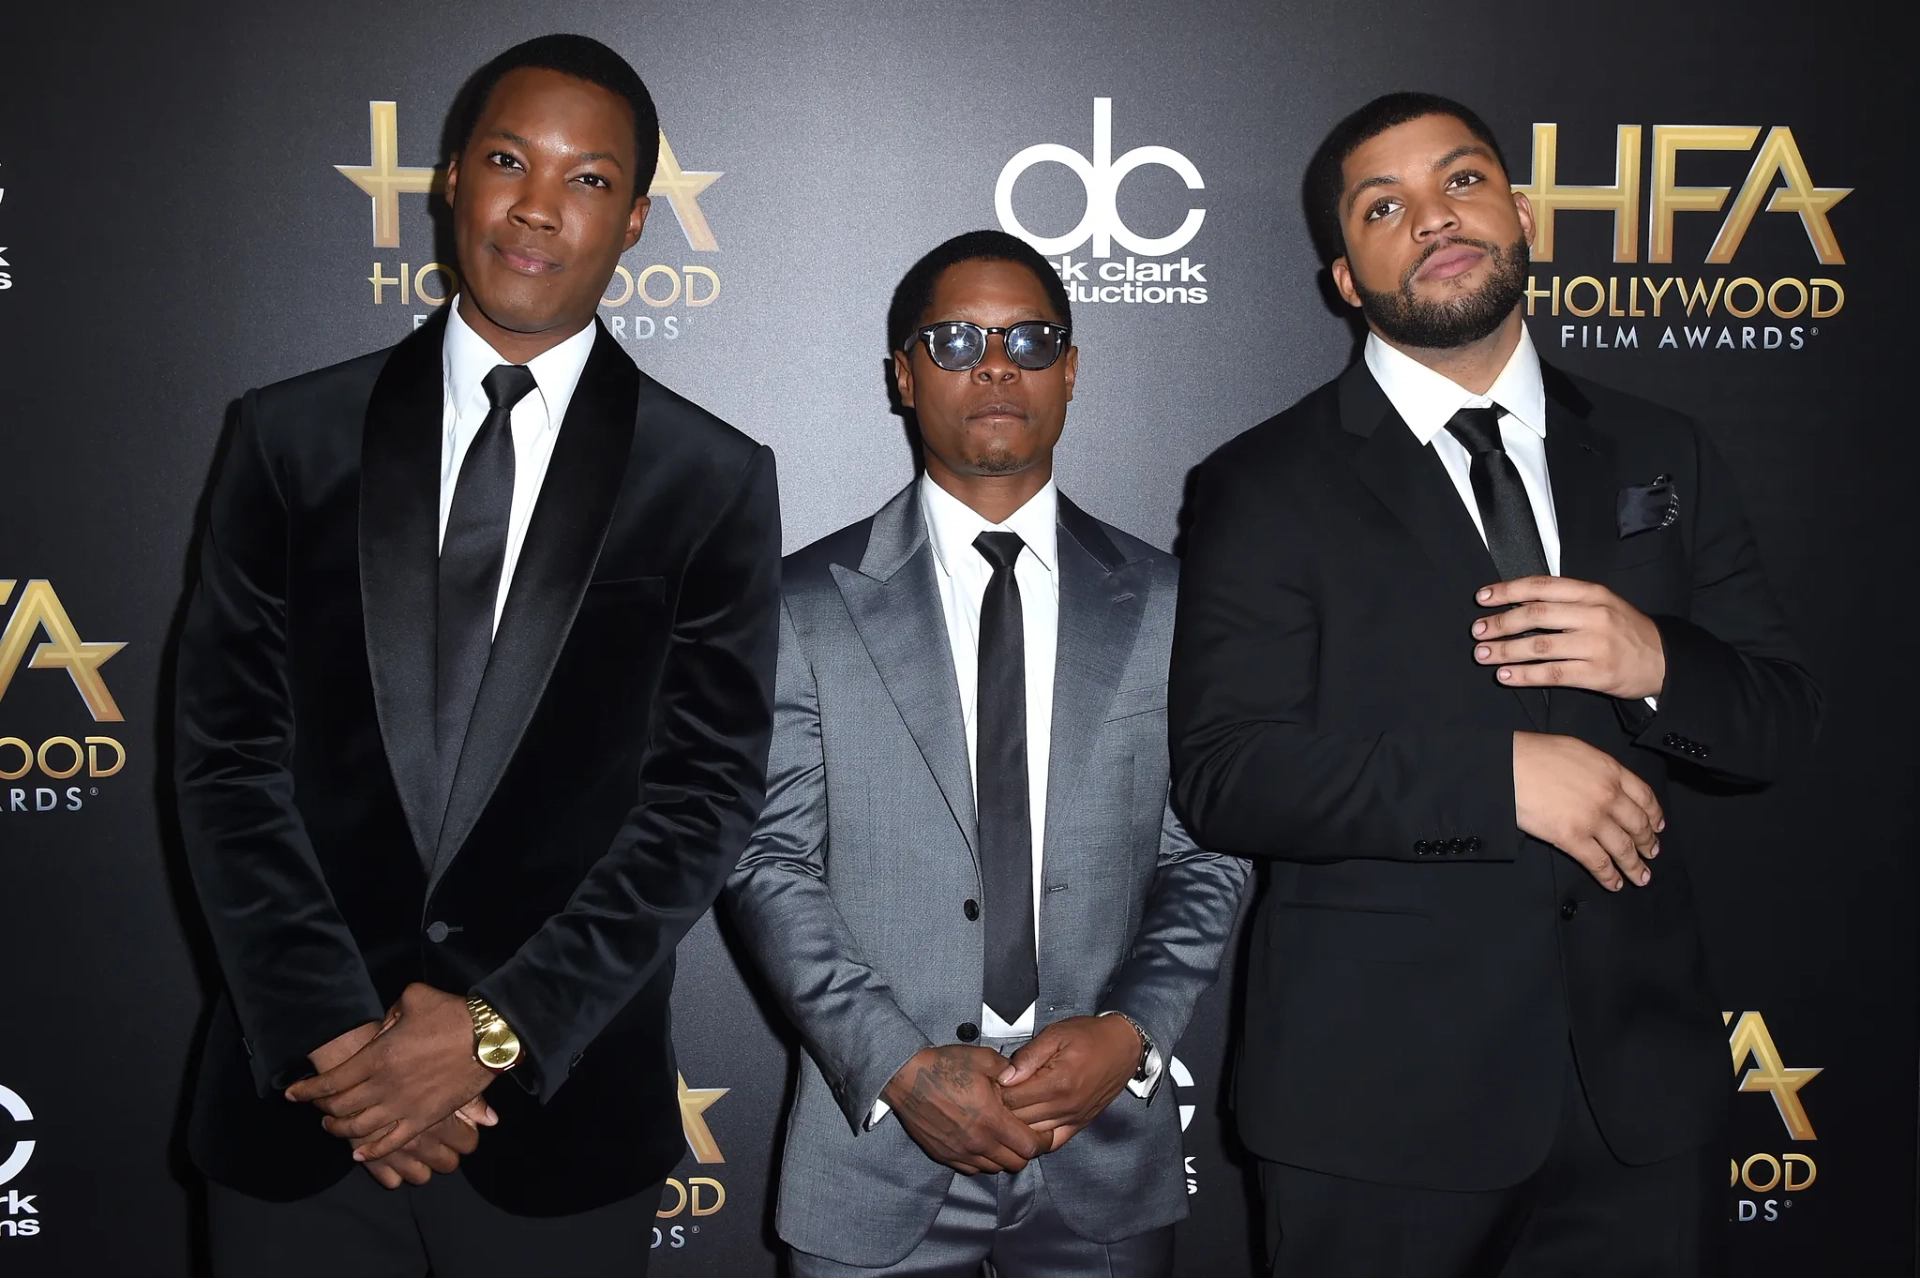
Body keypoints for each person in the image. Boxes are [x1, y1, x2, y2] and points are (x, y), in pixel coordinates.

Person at [1168, 93, 1822, 1277]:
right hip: (1375, 1114)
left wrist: (1658, 662)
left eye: (1461, 182)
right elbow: (1228, 774)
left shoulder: (1660, 449)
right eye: (1385, 206)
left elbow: (1778, 722)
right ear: (1344, 278)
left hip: (1638, 1105)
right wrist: (1496, 779)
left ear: (1521, 214)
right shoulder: (1262, 484)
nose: (1433, 217)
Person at [173, 34, 780, 1277]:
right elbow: (226, 760)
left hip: (556, 1124)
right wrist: (345, 1051)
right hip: (302, 1110)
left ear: (638, 220)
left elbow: (701, 799)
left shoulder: (711, 480)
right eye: (509, 159)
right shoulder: (288, 441)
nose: (538, 207)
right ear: (449, 178)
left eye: (589, 178)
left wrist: (496, 1033)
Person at [727, 229, 1247, 1277]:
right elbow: (764, 862)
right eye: (958, 341)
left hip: (1102, 1146)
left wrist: (1132, 1034)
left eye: (1029, 339)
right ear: (904, 375)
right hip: (876, 1142)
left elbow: (1210, 853)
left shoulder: (1169, 605)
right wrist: (901, 1069)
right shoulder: (802, 606)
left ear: (1071, 370)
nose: (997, 366)